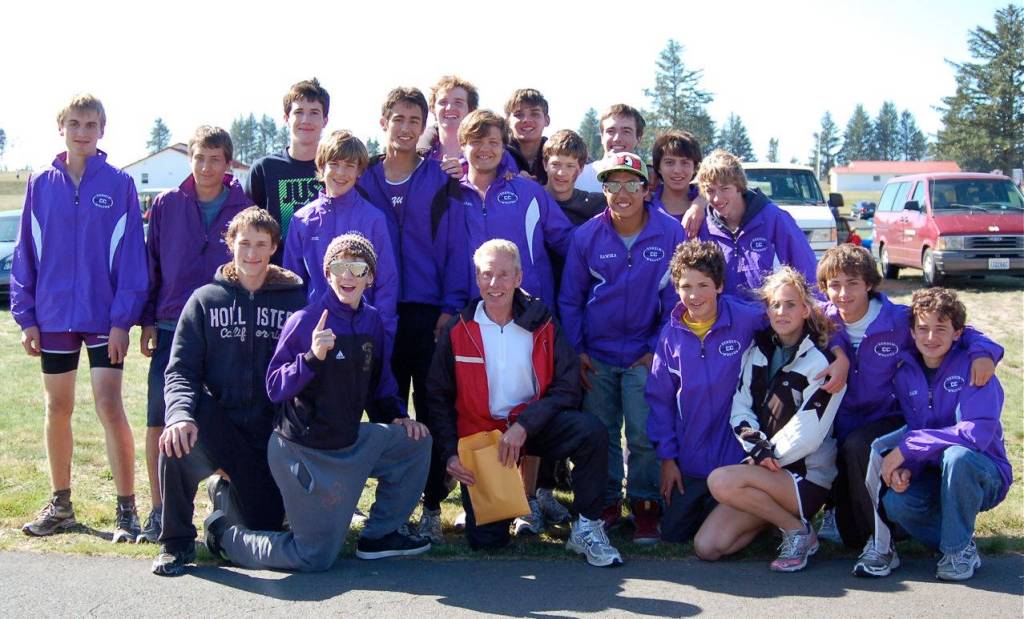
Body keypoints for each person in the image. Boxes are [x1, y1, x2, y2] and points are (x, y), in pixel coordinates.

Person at [204, 233, 432, 572]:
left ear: (370, 276)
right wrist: (312, 357)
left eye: (358, 267)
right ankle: (223, 535)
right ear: (327, 274)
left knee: (416, 442)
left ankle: (380, 536)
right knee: (314, 556)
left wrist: (399, 417)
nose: (348, 276)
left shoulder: (371, 321)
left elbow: (380, 385)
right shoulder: (306, 320)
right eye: (340, 266)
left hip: (349, 442)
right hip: (302, 452)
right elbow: (275, 388)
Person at [426, 239, 621, 567]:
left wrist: (525, 425)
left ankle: (587, 527)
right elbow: (436, 396)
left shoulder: (541, 321)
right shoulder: (458, 329)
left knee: (591, 432)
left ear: (518, 278)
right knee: (487, 541)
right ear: (476, 278)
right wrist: (449, 453)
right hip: (486, 440)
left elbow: (567, 386)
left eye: (503, 275)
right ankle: (506, 507)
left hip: (534, 425)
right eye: (487, 275)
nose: (494, 284)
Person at [13, 93, 148, 543]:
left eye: (91, 125)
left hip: (102, 316)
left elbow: (132, 258)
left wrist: (121, 321)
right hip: (52, 317)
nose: (82, 132)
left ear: (102, 131)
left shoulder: (119, 184)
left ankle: (126, 510)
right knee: (58, 407)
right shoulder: (40, 184)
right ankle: (61, 504)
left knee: (109, 405)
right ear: (61, 128)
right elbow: (25, 254)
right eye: (74, 123)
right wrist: (26, 315)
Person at [812, 245, 1001, 559]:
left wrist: (984, 352)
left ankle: (881, 541)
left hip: (889, 415)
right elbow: (802, 323)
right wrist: (839, 353)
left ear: (869, 284)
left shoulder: (899, 319)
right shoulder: (825, 318)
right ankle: (866, 523)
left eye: (853, 283)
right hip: (842, 416)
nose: (843, 293)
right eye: (834, 284)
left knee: (859, 447)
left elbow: (955, 327)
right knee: (846, 517)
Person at [151, 207, 306, 576]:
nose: (252, 253)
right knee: (175, 438)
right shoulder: (205, 300)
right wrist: (180, 415)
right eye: (244, 243)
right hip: (219, 423)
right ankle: (175, 543)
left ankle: (222, 504)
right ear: (230, 245)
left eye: (261, 245)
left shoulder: (295, 301)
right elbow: (181, 369)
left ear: (273, 248)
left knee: (265, 523)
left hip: (272, 435)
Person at [356, 86, 468, 543]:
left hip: (428, 311)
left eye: (413, 121)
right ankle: (391, 506)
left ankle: (432, 503)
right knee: (385, 406)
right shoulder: (364, 179)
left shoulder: (440, 180)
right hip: (376, 310)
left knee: (433, 405)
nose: (405, 128)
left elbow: (456, 247)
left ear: (425, 128)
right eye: (397, 118)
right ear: (383, 122)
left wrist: (448, 306)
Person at [559, 152, 684, 543]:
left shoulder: (672, 233)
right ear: (604, 190)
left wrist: (656, 350)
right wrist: (578, 349)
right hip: (596, 354)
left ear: (648, 190)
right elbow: (570, 299)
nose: (623, 192)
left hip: (645, 355)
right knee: (602, 431)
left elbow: (677, 301)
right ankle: (608, 501)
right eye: (613, 184)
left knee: (644, 433)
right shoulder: (586, 236)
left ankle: (646, 505)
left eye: (632, 183)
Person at [138, 126, 253, 543]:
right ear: (191, 160)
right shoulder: (168, 204)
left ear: (228, 164)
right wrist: (148, 319)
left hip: (223, 328)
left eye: (215, 159)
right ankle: (159, 509)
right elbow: (151, 265)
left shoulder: (244, 206)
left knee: (221, 419)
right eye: (199, 158)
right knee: (160, 418)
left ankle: (223, 503)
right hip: (170, 325)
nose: (206, 167)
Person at [694, 267, 845, 572]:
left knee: (720, 480)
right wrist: (757, 449)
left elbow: (809, 432)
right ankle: (782, 522)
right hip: (766, 469)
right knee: (708, 547)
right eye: (775, 304)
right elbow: (741, 408)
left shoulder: (823, 360)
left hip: (805, 478)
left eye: (790, 304)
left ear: (805, 309)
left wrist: (766, 457)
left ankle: (795, 531)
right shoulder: (759, 349)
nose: (781, 311)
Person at [859, 288, 1012, 581]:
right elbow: (919, 426)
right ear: (913, 333)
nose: (931, 337)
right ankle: (961, 542)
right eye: (923, 329)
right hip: (933, 470)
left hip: (983, 471)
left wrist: (908, 448)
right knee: (897, 503)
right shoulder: (905, 372)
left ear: (957, 333)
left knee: (958, 457)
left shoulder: (975, 366)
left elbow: (976, 433)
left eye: (941, 329)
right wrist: (907, 468)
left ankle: (955, 553)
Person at [645, 240, 769, 544]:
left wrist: (838, 351)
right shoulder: (671, 336)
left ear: (720, 285)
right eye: (686, 285)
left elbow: (793, 320)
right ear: (676, 287)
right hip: (691, 461)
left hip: (737, 459)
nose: (694, 295)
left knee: (718, 535)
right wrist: (667, 459)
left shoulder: (747, 319)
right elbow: (659, 401)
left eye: (703, 285)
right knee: (673, 535)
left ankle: (766, 517)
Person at [455, 109, 573, 313]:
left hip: (529, 310)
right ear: (463, 145)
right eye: (476, 141)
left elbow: (568, 241)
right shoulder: (451, 195)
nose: (485, 149)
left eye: (493, 142)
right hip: (469, 311)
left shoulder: (528, 192)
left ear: (503, 148)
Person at [284, 130, 398, 337]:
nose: (341, 173)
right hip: (316, 330)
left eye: (349, 166)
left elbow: (386, 282)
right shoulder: (302, 220)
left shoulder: (373, 219)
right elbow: (292, 283)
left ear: (359, 172)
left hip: (362, 331)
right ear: (321, 167)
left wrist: (384, 334)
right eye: (334, 164)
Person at [694, 150, 818, 300]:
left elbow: (807, 272)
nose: (717, 198)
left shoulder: (775, 219)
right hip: (725, 320)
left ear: (739, 186)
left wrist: (816, 316)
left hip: (771, 320)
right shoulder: (703, 229)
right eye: (710, 191)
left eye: (725, 188)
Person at [245, 78, 329, 262]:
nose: (306, 120)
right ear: (286, 118)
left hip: (329, 277)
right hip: (277, 280)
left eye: (314, 112)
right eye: (298, 112)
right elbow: (247, 230)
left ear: (325, 120)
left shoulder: (337, 170)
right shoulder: (264, 169)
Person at [542, 129, 605, 227]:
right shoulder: (531, 198)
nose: (561, 173)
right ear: (545, 164)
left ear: (581, 169)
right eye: (555, 164)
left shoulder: (595, 204)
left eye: (570, 166)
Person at [418, 75, 479, 162]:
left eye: (458, 102)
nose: (449, 107)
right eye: (443, 102)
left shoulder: (484, 155)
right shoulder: (417, 155)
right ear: (433, 108)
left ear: (471, 110)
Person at [651, 130, 705, 223]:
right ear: (658, 167)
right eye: (669, 162)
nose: (677, 170)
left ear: (695, 167)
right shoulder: (646, 208)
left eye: (685, 162)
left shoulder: (711, 207)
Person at [504, 88, 550, 184]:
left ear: (547, 120)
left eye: (534, 113)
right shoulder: (497, 155)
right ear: (507, 121)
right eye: (519, 114)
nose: (526, 120)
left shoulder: (557, 155)